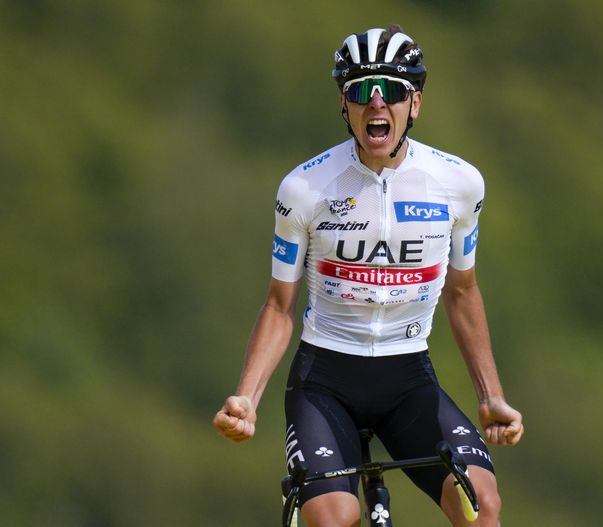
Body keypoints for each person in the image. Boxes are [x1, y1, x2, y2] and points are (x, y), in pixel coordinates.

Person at [213, 24, 523, 527]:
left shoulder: (459, 184)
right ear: (345, 105)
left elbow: (463, 292)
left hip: (408, 380)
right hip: (325, 381)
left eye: (392, 91)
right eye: (361, 91)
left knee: (481, 505)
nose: (376, 104)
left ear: (414, 104)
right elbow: (278, 304)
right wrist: (247, 398)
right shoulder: (304, 188)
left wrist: (490, 398)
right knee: (336, 518)